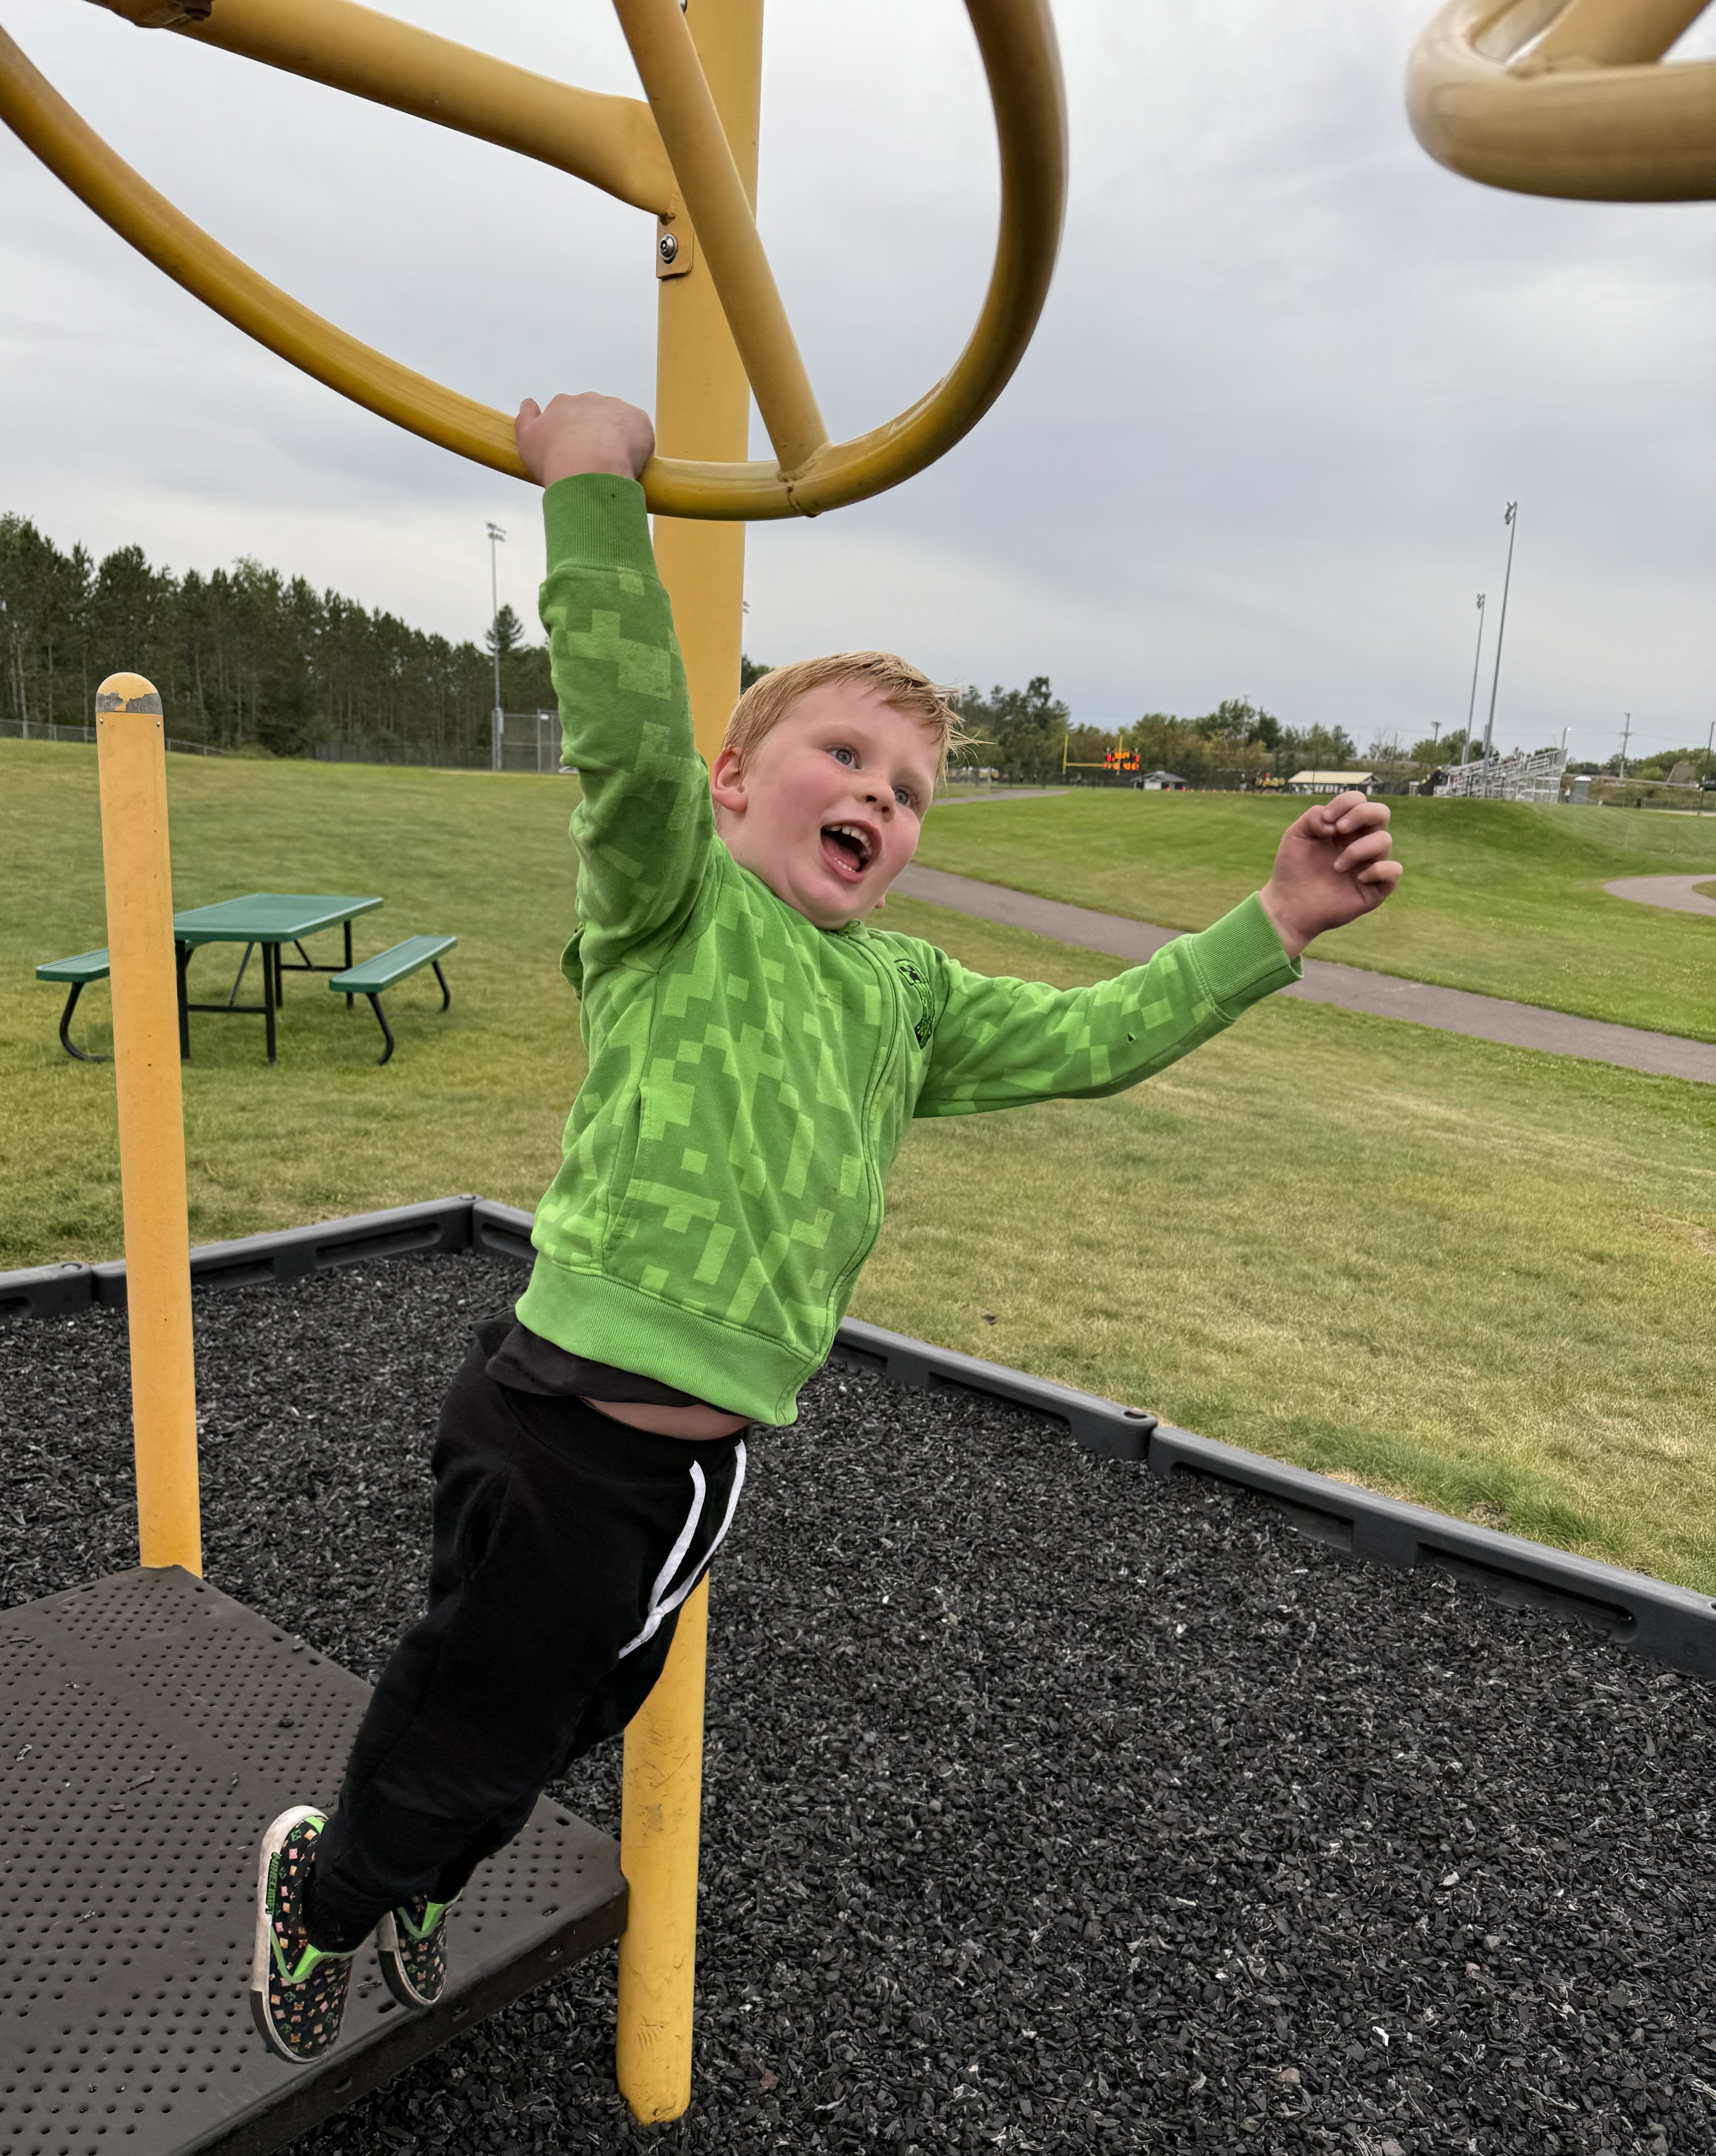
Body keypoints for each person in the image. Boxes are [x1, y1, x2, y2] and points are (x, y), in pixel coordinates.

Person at [249, 391, 1402, 2061]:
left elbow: (1093, 1042)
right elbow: (626, 737)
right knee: (466, 1722)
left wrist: (1274, 919)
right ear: (734, 784)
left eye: (914, 788)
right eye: (843, 755)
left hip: (703, 1468)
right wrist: (588, 493)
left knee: (576, 1710)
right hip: (564, 1432)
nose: (881, 795)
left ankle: (429, 1871)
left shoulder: (906, 993)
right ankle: (330, 1895)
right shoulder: (672, 906)